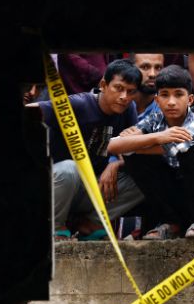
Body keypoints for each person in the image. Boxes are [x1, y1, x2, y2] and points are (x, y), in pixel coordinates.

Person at [111, 65, 194, 239]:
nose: (171, 102)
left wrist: (136, 145)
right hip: (182, 194)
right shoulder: (154, 119)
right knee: (134, 158)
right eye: (165, 95)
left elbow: (181, 146)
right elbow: (114, 145)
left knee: (191, 148)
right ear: (157, 100)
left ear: (190, 100)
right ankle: (172, 222)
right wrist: (156, 137)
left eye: (178, 94)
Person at [35, 59, 145, 240]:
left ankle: (91, 224)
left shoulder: (128, 109)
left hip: (91, 187)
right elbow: (32, 111)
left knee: (144, 174)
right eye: (118, 88)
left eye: (131, 91)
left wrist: (116, 163)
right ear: (103, 85)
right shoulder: (79, 104)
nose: (124, 96)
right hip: (58, 185)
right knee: (69, 168)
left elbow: (133, 149)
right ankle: (56, 228)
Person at [131, 53, 166, 117]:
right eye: (145, 67)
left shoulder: (166, 109)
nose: (152, 74)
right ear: (131, 68)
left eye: (158, 68)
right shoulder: (117, 103)